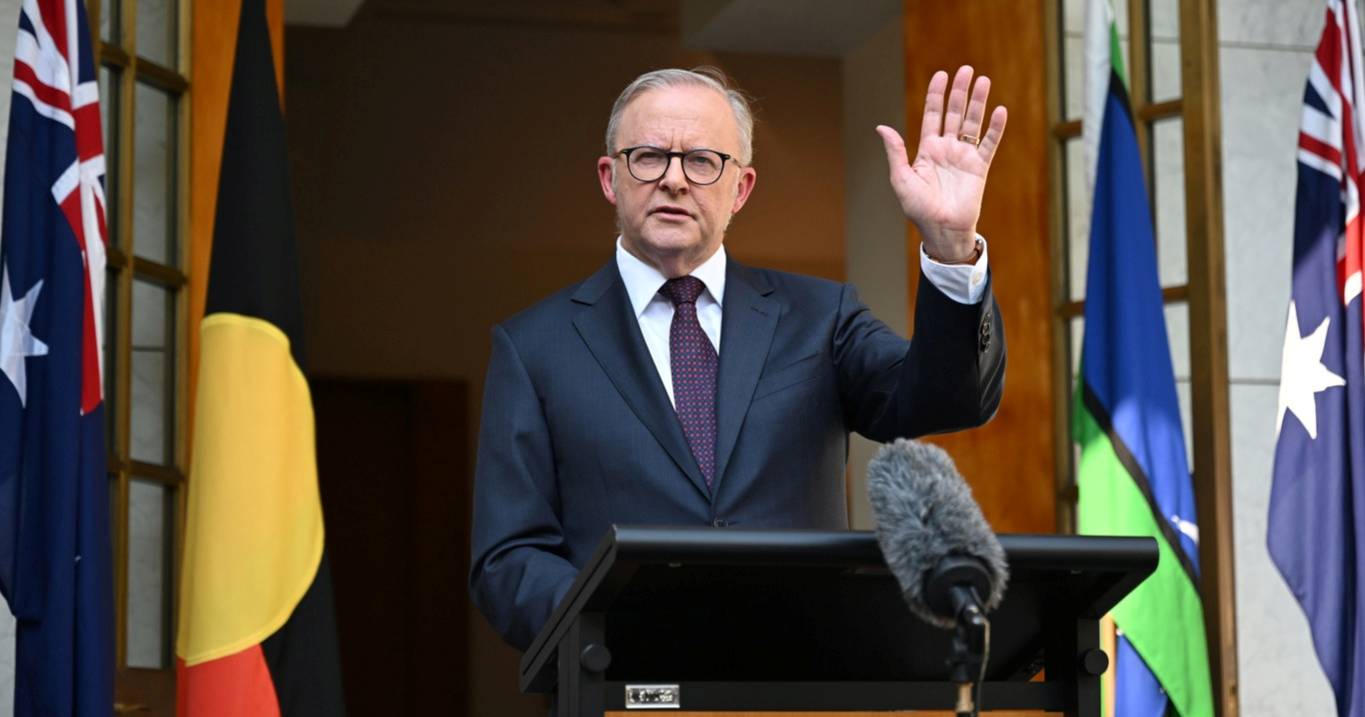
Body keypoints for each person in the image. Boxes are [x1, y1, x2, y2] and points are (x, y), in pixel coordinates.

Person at [469, 66, 1008, 652]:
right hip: (624, 691)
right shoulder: (533, 347)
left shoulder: (819, 316)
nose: (674, 180)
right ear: (610, 177)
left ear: (741, 189)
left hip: (801, 687)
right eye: (648, 157)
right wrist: (622, 632)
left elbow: (947, 398)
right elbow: (508, 558)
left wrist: (951, 246)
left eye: (702, 161)